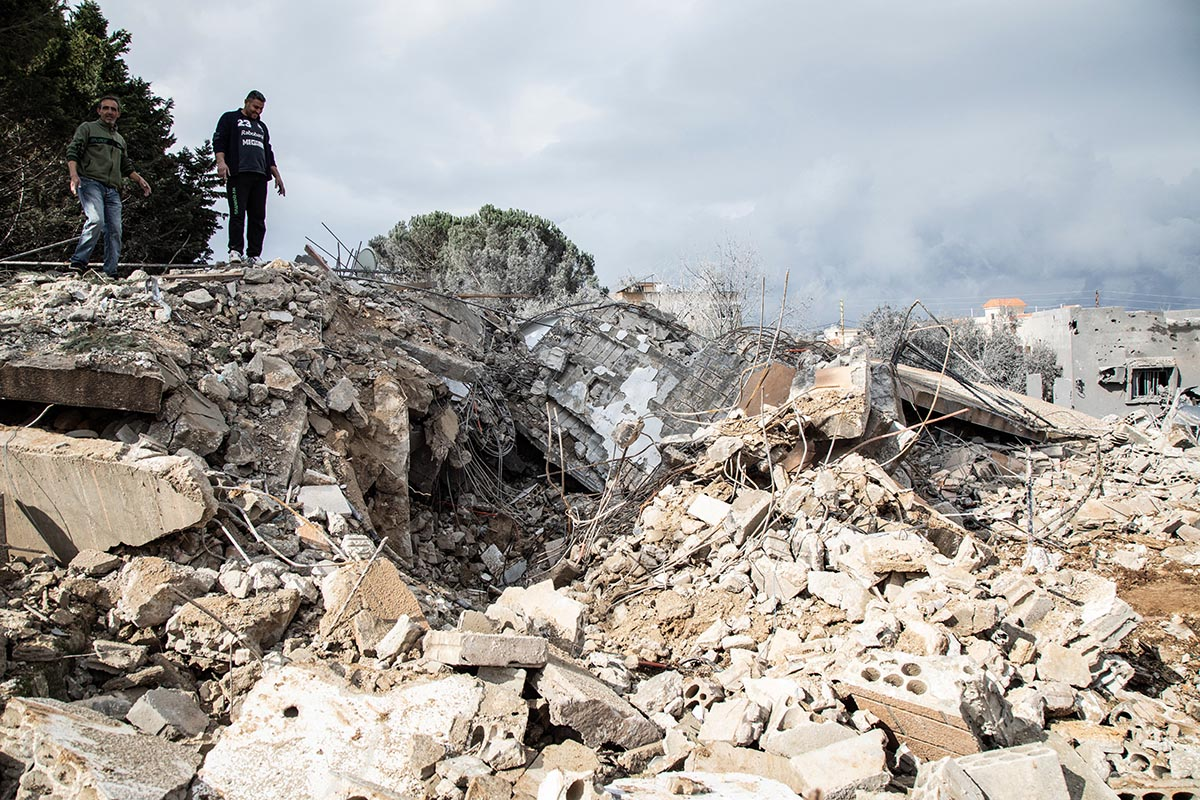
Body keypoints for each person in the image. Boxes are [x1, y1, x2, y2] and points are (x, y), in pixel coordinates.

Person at [66, 95, 152, 277]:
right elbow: (73, 151)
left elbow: (125, 165)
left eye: (113, 109)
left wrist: (139, 180)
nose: (109, 112)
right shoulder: (88, 128)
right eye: (105, 108)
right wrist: (74, 175)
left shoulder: (120, 139)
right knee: (96, 220)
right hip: (90, 182)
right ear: (99, 110)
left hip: (112, 189)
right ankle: (78, 263)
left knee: (115, 230)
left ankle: (110, 272)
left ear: (118, 114)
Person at [213, 90, 285, 265]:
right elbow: (219, 141)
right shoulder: (230, 119)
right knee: (238, 213)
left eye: (261, 109)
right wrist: (221, 162)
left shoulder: (261, 127)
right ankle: (235, 250)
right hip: (238, 173)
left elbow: (268, 152)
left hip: (260, 176)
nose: (257, 111)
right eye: (255, 107)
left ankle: (254, 254)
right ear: (246, 102)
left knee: (258, 217)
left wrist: (277, 175)